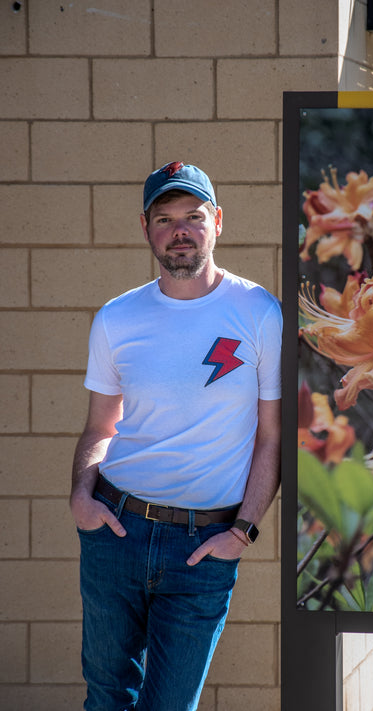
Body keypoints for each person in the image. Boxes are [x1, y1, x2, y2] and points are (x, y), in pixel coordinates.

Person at [70, 161, 282, 711]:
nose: (180, 231)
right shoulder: (117, 318)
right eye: (165, 219)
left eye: (193, 216)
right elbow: (100, 427)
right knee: (107, 698)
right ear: (146, 228)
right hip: (115, 532)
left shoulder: (258, 312)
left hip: (202, 549)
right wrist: (80, 498)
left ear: (217, 221)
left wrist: (243, 533)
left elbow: (271, 437)